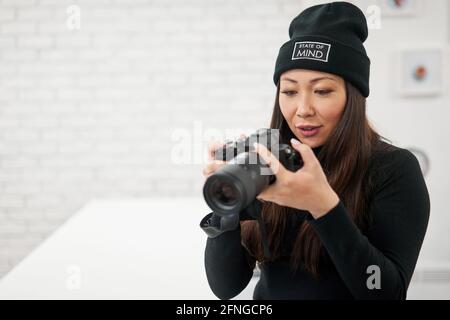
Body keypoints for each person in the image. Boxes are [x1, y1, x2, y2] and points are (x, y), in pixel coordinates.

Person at [199, 1, 430, 300]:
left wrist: (323, 207)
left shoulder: (393, 168)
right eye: (290, 91)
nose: (303, 109)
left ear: (352, 97)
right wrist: (226, 206)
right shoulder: (268, 162)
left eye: (322, 91)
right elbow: (225, 288)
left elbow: (386, 293)